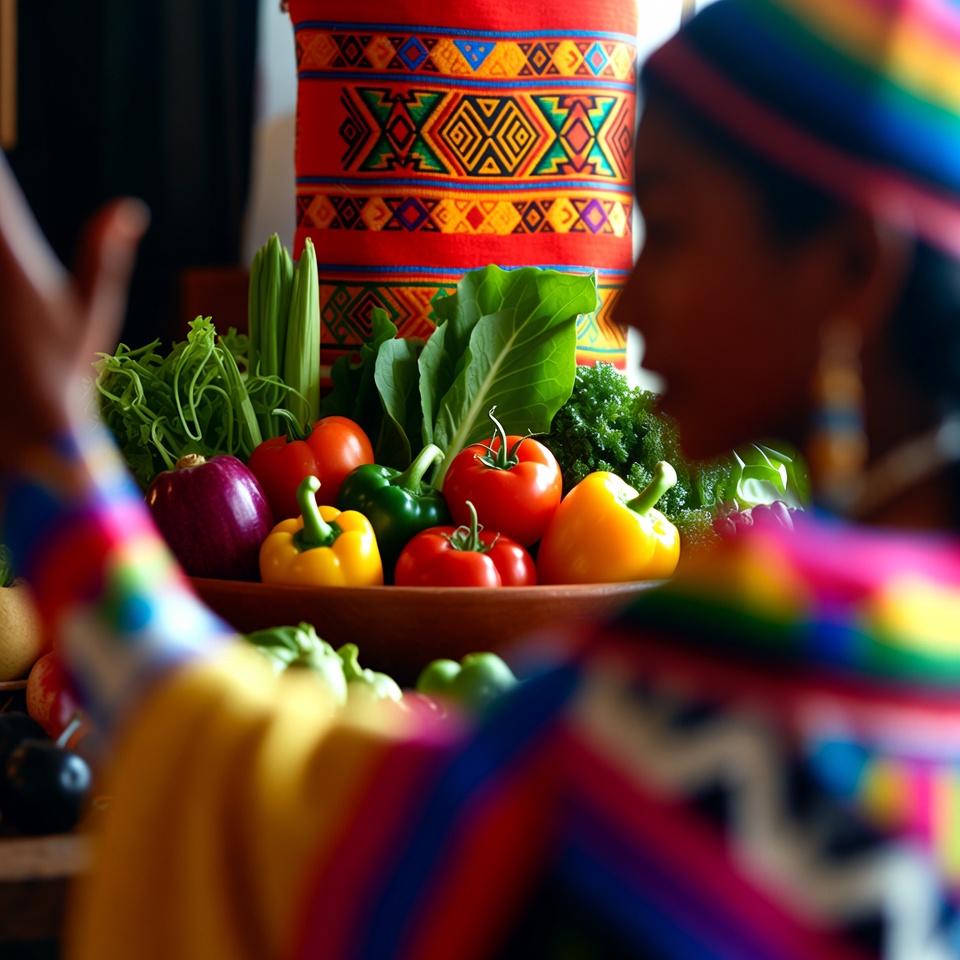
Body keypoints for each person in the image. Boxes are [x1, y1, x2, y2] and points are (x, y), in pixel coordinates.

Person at [3, 0, 960, 957]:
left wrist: (58, 458)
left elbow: (326, 835)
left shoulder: (763, 657)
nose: (620, 299)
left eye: (664, 227)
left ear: (847, 263)